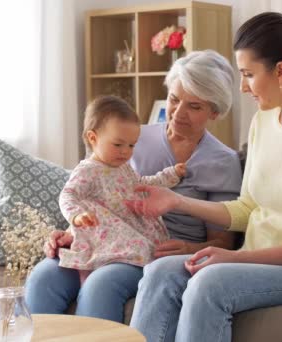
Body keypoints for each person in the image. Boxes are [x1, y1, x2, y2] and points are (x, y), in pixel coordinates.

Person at [126, 12, 282, 342]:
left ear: (281, 71)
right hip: (255, 262)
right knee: (160, 272)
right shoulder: (264, 121)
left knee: (210, 283)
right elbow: (246, 209)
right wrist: (176, 200)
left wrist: (236, 257)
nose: (242, 87)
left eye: (248, 74)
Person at [24, 49, 243, 323]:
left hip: (156, 254)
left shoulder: (223, 161)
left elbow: (224, 243)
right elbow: (99, 192)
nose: (178, 113)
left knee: (100, 285)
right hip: (107, 240)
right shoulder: (131, 137)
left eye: (194, 106)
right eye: (174, 99)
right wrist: (73, 230)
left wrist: (188, 248)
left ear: (215, 111)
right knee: (43, 277)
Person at [57, 95, 186, 285]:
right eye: (118, 144)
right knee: (140, 248)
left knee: (148, 247)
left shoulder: (123, 167)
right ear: (93, 138)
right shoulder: (88, 170)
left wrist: (170, 174)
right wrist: (76, 215)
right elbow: (68, 194)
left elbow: (142, 184)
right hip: (107, 233)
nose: (126, 151)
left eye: (131, 145)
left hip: (129, 229)